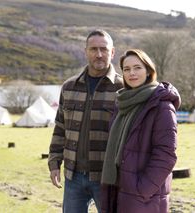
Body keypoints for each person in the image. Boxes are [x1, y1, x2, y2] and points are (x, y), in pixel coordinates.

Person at [48, 29, 123, 213]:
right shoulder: (69, 87)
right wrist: (54, 162)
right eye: (93, 49)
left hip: (107, 178)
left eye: (104, 49)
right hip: (73, 177)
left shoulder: (123, 88)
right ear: (85, 51)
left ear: (112, 52)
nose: (99, 54)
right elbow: (60, 128)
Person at [101, 49, 181, 213]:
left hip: (143, 198)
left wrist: (142, 189)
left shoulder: (162, 106)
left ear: (148, 71)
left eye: (137, 67)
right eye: (126, 69)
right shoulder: (122, 103)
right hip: (118, 188)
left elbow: (166, 154)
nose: (132, 73)